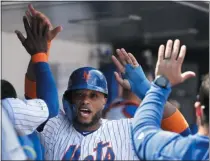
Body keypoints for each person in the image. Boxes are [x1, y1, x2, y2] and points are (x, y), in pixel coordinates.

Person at [16, 5, 191, 160]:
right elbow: (35, 101)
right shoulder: (54, 128)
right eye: (79, 94)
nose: (86, 100)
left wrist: (148, 90)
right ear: (69, 99)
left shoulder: (128, 130)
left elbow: (182, 137)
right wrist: (39, 53)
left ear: (105, 100)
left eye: (94, 95)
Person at [132, 40, 209, 160]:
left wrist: (159, 87)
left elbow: (143, 133)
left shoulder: (179, 153)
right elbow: (185, 135)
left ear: (199, 110)